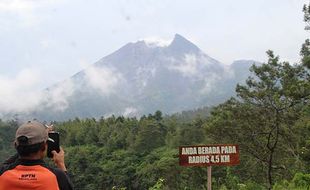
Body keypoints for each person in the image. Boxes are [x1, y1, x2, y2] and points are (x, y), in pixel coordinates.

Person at [0, 120, 73, 190]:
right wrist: (61, 164)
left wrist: (24, 146)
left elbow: (6, 164)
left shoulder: (3, 173)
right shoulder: (57, 176)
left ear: (15, 145)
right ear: (44, 146)